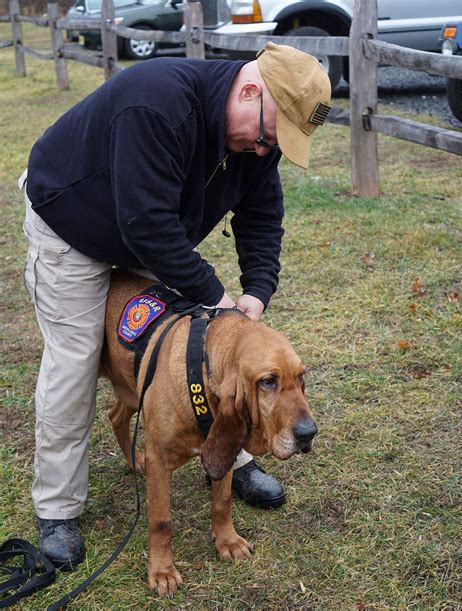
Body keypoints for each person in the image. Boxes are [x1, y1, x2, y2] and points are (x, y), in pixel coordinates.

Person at [21, 42, 331, 571]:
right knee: (75, 360)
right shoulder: (157, 101)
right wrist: (216, 297)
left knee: (206, 352)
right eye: (266, 137)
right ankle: (57, 508)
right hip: (72, 222)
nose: (263, 151)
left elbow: (260, 216)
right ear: (251, 91)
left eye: (274, 145)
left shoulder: (258, 141)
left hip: (151, 232)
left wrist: (254, 293)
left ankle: (231, 452)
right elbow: (144, 220)